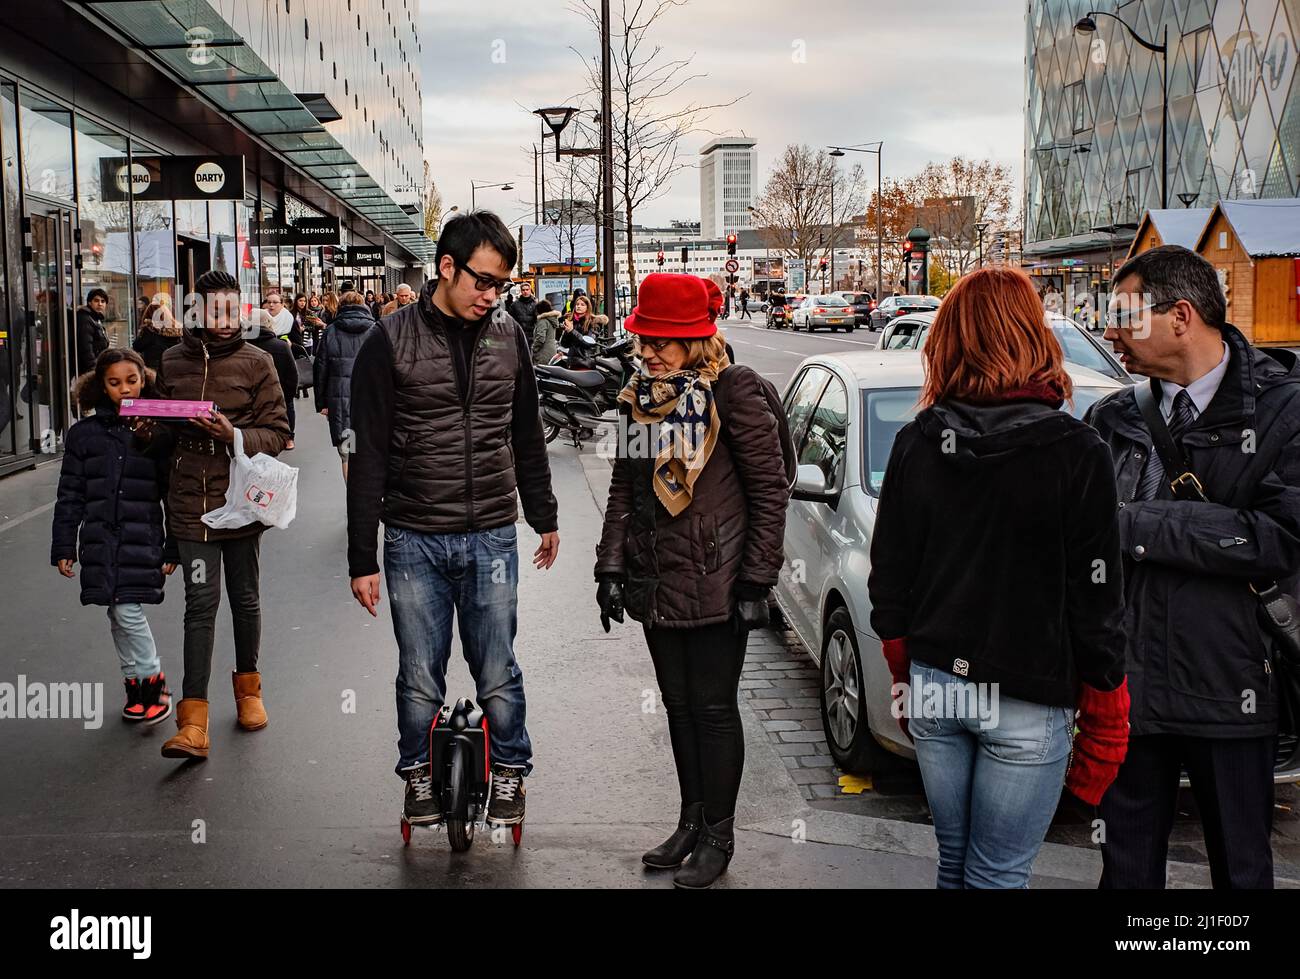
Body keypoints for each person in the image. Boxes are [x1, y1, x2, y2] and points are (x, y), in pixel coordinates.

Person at [867, 266, 1128, 889]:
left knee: (955, 866)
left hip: (936, 683)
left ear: (948, 341)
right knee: (999, 876)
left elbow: (890, 580)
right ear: (1032, 336)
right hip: (1029, 691)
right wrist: (1107, 710)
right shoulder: (1075, 449)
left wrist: (904, 671)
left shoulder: (918, 442)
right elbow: (1096, 597)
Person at [1086, 245, 1300, 889]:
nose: (1109, 333)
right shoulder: (1114, 416)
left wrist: (1134, 524)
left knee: (1241, 872)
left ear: (1180, 315)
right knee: (1124, 873)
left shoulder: (1283, 412)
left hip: (1232, 689)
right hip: (1131, 690)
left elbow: (1278, 539)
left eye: (1122, 316)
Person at [347, 211, 559, 831]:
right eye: (484, 282)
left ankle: (512, 769)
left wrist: (543, 514)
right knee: (419, 673)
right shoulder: (388, 341)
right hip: (413, 537)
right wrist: (363, 557)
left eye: (502, 286)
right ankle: (416, 772)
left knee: (498, 667)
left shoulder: (507, 337)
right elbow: (368, 455)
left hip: (492, 530)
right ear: (446, 266)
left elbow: (526, 435)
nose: (492, 296)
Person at [594, 273, 791, 889]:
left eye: (662, 341)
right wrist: (610, 566)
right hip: (657, 579)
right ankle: (689, 821)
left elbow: (770, 491)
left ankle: (719, 835)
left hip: (717, 582)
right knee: (677, 708)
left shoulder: (734, 392)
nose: (648, 351)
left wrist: (757, 579)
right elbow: (625, 488)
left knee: (711, 709)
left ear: (697, 340)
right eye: (644, 339)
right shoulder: (638, 397)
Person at [155, 270, 291, 761]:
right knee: (200, 603)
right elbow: (161, 431)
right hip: (191, 498)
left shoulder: (259, 361)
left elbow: (277, 431)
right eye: (215, 309)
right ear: (197, 311)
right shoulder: (171, 360)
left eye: (232, 309)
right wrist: (147, 429)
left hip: (242, 497)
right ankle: (193, 721)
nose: (225, 319)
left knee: (245, 597)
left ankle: (249, 691)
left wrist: (231, 432)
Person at [51, 348, 176, 727]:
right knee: (116, 612)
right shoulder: (83, 435)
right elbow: (70, 493)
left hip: (142, 536)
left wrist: (173, 544)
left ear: (144, 379)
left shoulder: (157, 430)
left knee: (127, 610)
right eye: (115, 382)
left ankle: (154, 685)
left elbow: (172, 490)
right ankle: (136, 687)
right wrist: (63, 545)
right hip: (100, 540)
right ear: (101, 387)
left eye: (132, 380)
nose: (125, 389)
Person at [313, 290, 373, 481]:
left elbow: (320, 368)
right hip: (369, 399)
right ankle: (370, 499)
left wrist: (322, 402)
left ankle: (352, 500)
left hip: (339, 398)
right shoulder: (375, 329)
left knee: (347, 452)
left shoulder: (331, 331)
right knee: (369, 450)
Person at [246, 307, 300, 450]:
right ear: (269, 323)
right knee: (288, 406)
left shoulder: (243, 345)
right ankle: (289, 439)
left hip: (251, 390)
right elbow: (291, 372)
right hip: (280, 388)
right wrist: (290, 393)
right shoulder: (281, 346)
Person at [132, 296, 181, 372]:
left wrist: (141, 333)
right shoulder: (177, 331)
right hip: (174, 369)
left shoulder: (150, 330)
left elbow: (136, 346)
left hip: (155, 370)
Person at [558, 294, 608, 362]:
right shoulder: (573, 321)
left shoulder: (594, 322)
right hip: (572, 360)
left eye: (582, 305)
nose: (578, 306)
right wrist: (567, 330)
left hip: (586, 361)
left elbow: (588, 343)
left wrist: (572, 331)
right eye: (577, 304)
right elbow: (565, 344)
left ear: (588, 307)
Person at [75, 288, 111, 378]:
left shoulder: (95, 318)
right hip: (89, 370)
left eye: (103, 301)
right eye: (96, 300)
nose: (100, 304)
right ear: (89, 302)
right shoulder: (85, 318)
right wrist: (94, 370)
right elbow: (86, 347)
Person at [531, 300, 559, 365]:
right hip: (552, 352)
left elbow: (540, 338)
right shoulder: (552, 320)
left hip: (543, 354)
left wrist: (534, 348)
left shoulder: (542, 321)